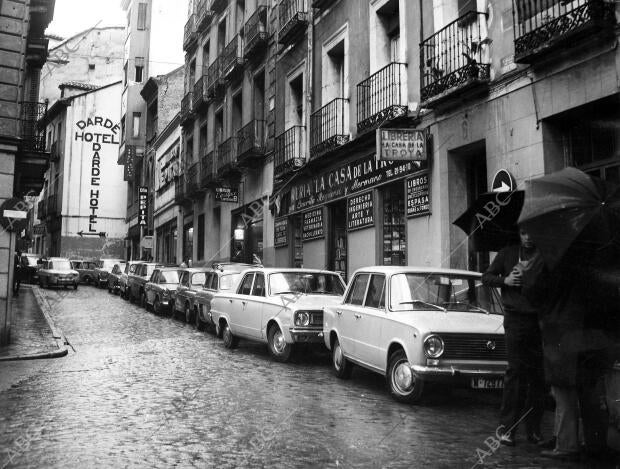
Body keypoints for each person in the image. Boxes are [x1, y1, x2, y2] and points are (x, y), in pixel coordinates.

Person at [529, 245, 620, 461]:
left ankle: (567, 445)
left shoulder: (551, 254)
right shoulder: (602, 252)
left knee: (564, 390)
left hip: (562, 331)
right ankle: (595, 443)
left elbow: (533, 290)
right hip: (595, 331)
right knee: (590, 389)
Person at [482, 228, 546, 446]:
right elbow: (487, 277)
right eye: (524, 233)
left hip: (538, 321)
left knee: (538, 376)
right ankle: (507, 429)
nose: (528, 237)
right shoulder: (508, 253)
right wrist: (506, 281)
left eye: (532, 233)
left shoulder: (544, 255)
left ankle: (534, 429)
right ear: (518, 233)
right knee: (515, 372)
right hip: (515, 320)